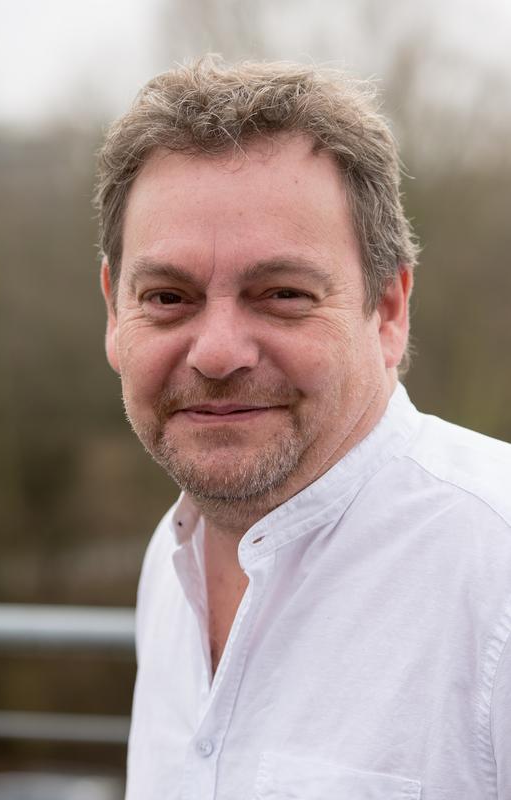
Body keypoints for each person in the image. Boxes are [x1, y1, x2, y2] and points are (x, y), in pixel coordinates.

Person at [95, 56, 511, 800]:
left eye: (282, 293)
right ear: (112, 310)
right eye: (167, 297)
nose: (218, 352)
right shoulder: (173, 559)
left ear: (387, 310)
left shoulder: (495, 578)